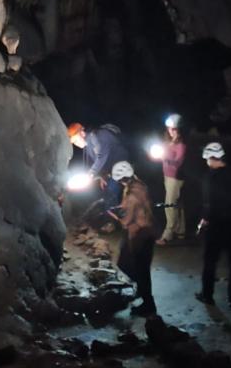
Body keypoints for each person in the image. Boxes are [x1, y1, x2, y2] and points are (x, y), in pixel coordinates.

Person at [195, 142, 231, 307]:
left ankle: (207, 295)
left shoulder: (210, 177)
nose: (206, 163)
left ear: (211, 157)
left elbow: (208, 203)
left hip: (216, 226)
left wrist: (203, 221)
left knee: (210, 261)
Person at [108, 161, 158, 316]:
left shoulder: (131, 195)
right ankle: (142, 291)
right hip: (148, 233)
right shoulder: (139, 185)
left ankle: (148, 305)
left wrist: (115, 215)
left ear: (122, 179)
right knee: (140, 269)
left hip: (139, 236)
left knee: (134, 268)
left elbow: (127, 221)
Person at [68, 122, 130, 225]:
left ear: (82, 133)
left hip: (121, 164)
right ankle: (115, 218)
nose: (76, 144)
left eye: (76, 140)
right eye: (74, 143)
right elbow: (94, 162)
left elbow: (102, 156)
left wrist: (90, 174)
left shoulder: (98, 135)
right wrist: (101, 176)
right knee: (106, 191)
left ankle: (113, 223)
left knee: (111, 191)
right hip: (111, 168)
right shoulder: (87, 147)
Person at [150, 114, 187, 245]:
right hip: (167, 176)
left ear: (180, 129)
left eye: (175, 129)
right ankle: (180, 230)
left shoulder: (181, 145)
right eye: (170, 129)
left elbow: (177, 163)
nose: (172, 131)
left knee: (169, 205)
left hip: (176, 178)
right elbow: (161, 155)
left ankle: (168, 234)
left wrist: (166, 155)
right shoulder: (168, 142)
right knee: (177, 203)